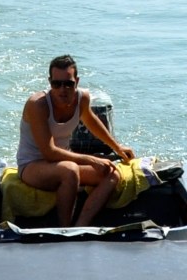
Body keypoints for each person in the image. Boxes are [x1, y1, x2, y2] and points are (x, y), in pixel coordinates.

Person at [17, 55, 134, 226]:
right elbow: (49, 153)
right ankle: (65, 229)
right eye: (56, 84)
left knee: (111, 173)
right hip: (32, 166)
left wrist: (117, 148)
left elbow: (91, 121)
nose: (62, 90)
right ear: (50, 82)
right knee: (70, 170)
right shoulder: (37, 105)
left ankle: (81, 226)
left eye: (68, 84)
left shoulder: (82, 98)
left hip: (62, 163)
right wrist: (91, 159)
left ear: (76, 82)